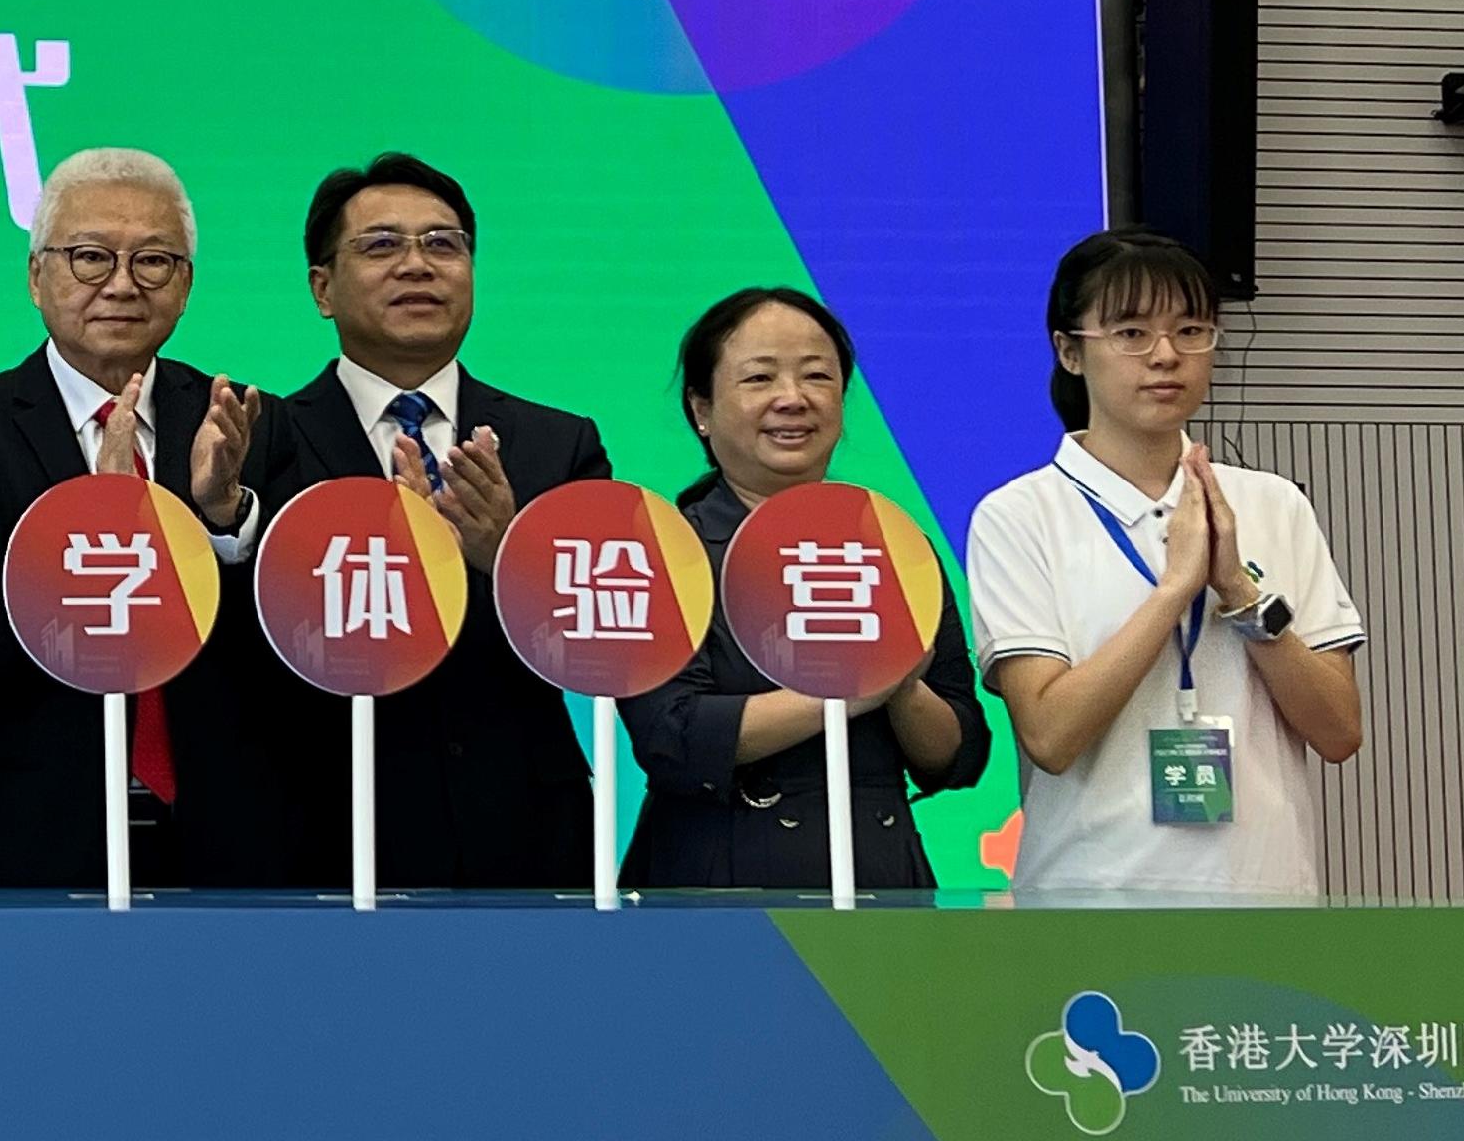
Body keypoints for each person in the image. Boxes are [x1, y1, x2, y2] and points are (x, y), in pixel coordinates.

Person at [231, 153, 614, 891]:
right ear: (322, 288)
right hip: (323, 838)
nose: (417, 265)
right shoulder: (260, 438)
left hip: (523, 836)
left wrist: (507, 554)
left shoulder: (555, 443)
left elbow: (603, 639)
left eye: (443, 244)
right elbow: (236, 651)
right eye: (381, 246)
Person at [0, 146, 262, 892]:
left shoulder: (244, 424)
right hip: (27, 835)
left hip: (229, 839)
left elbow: (291, 647)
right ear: (37, 276)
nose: (122, 284)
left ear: (186, 285)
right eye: (91, 257)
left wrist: (225, 521)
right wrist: (91, 534)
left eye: (154, 261)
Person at [966, 228, 1363, 897]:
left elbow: (1339, 730)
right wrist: (1174, 590)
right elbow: (1051, 735)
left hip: (1262, 893)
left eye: (1191, 330)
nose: (1166, 356)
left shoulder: (1272, 504)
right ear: (1069, 351)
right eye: (1130, 333)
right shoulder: (1019, 515)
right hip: (1091, 897)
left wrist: (1239, 594)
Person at [619, 286, 990, 892]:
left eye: (817, 377)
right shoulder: (664, 552)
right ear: (701, 409)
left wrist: (902, 691)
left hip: (878, 870)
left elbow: (960, 753)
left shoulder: (895, 545)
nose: (792, 399)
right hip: (718, 879)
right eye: (759, 378)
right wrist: (855, 689)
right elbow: (673, 738)